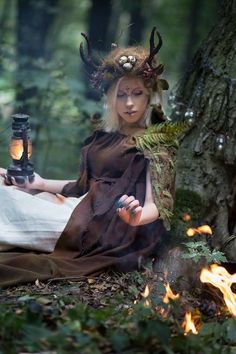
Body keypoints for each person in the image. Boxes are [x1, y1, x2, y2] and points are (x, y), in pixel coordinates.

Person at [0, 27, 184, 287]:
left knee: (4, 202)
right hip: (78, 209)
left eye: (137, 93)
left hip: (104, 229)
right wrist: (38, 184)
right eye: (121, 94)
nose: (129, 103)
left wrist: (136, 217)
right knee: (3, 185)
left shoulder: (156, 141)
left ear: (150, 95)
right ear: (111, 97)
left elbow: (159, 204)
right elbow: (84, 186)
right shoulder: (105, 135)